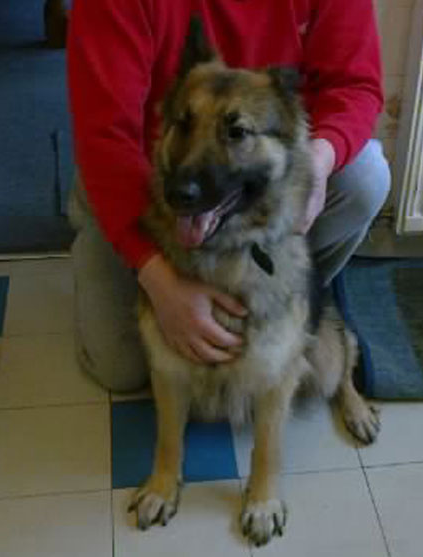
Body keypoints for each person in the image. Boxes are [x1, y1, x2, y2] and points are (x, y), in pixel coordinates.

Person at [66, 0, 391, 392]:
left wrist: (318, 164)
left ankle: (295, 292)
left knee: (365, 178)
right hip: (143, 176)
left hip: (260, 165)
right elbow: (106, 138)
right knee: (121, 369)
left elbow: (353, 85)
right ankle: (106, 231)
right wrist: (159, 279)